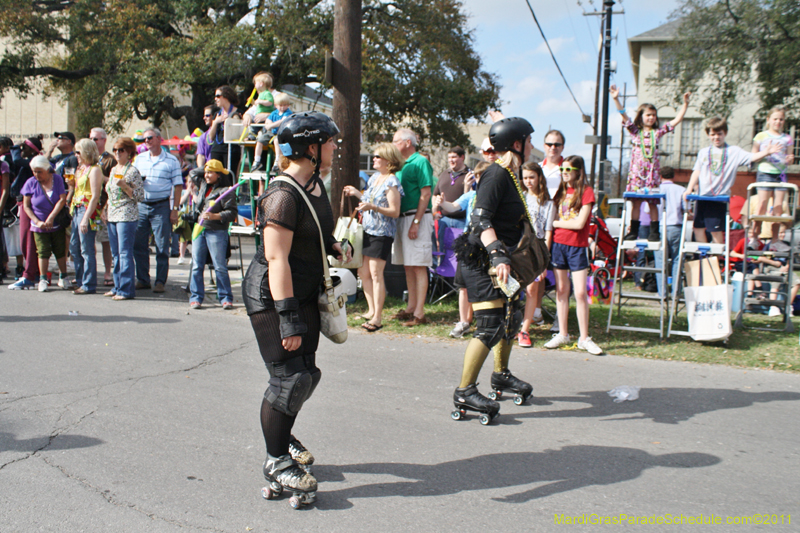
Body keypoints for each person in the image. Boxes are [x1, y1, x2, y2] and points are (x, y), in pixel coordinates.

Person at [241, 112, 349, 504]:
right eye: (329, 142)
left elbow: (316, 230)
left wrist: (334, 245)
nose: (335, 147)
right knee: (289, 380)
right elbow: (277, 260)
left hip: (302, 290)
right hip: (273, 296)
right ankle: (276, 460)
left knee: (307, 374)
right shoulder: (282, 195)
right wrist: (287, 321)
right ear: (310, 148)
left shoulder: (315, 184)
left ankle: (282, 439)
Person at [450, 117, 535, 423]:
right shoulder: (497, 173)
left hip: (500, 262)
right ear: (517, 144)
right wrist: (499, 255)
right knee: (488, 324)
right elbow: (481, 219)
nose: (532, 146)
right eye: (528, 140)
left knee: (511, 318)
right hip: (481, 260)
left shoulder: (510, 174)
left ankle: (500, 376)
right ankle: (465, 391)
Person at [611, 85, 690, 242]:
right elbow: (624, 116)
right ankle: (634, 230)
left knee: (653, 203)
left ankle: (654, 232)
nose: (651, 118)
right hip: (637, 173)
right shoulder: (635, 132)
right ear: (641, 116)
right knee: (636, 203)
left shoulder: (657, 133)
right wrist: (616, 99)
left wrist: (685, 105)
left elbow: (675, 121)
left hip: (652, 174)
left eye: (653, 115)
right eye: (648, 115)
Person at [684, 117, 781, 244]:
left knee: (715, 231)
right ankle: (705, 260)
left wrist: (766, 152)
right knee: (698, 229)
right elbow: (697, 171)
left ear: (725, 133)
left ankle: (716, 260)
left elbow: (751, 157)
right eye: (713, 134)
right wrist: (689, 189)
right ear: (708, 135)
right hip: (702, 197)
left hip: (718, 198)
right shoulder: (703, 152)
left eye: (719, 134)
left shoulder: (733, 151)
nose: (716, 137)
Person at [543, 155, 603, 355]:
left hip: (577, 247)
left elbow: (579, 223)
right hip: (559, 245)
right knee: (561, 291)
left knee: (579, 293)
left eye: (568, 170)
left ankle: (584, 338)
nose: (564, 173)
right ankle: (563, 333)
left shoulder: (586, 191)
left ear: (578, 170)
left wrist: (557, 223)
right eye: (562, 170)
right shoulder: (560, 191)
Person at [342, 143, 405, 332]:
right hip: (367, 230)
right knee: (363, 273)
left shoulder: (392, 181)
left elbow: (394, 211)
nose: (374, 159)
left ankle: (377, 317)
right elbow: (368, 201)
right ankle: (371, 310)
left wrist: (374, 207)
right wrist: (356, 194)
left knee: (377, 274)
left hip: (382, 233)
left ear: (388, 160)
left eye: (378, 156)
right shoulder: (376, 178)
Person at [435, 161, 491, 339]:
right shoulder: (471, 195)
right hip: (468, 243)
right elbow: (453, 207)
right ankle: (464, 322)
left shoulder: (494, 197)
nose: (479, 180)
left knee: (484, 285)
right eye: (477, 176)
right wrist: (443, 203)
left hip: (487, 244)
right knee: (463, 285)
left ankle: (484, 322)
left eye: (483, 176)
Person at [391, 128, 436, 327]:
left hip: (416, 217)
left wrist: (416, 222)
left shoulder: (420, 162)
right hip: (402, 218)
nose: (393, 145)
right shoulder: (401, 164)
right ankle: (411, 307)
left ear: (408, 142)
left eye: (395, 141)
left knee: (418, 265)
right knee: (409, 265)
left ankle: (419, 312)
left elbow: (425, 194)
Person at [133, 127, 184, 292]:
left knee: (162, 246)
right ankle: (143, 279)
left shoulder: (171, 160)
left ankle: (160, 281)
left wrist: (174, 209)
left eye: (149, 138)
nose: (146, 141)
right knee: (139, 244)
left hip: (161, 205)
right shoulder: (139, 159)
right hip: (141, 204)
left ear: (159, 139)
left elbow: (178, 186)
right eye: (144, 139)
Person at [187, 159, 237, 310]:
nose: (207, 175)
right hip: (200, 229)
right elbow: (193, 172)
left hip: (217, 230)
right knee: (197, 265)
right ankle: (196, 297)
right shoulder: (203, 184)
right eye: (206, 172)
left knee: (219, 266)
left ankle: (225, 297)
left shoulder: (226, 191)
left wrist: (216, 216)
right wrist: (209, 165)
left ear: (219, 175)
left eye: (211, 172)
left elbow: (232, 212)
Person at [518, 162, 554, 348]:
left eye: (531, 177)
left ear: (539, 177)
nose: (528, 181)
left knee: (532, 289)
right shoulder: (521, 198)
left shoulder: (548, 203)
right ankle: (511, 323)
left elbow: (548, 233)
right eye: (525, 178)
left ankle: (525, 329)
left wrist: (543, 261)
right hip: (519, 248)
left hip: (536, 250)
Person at [21, 156, 69, 292]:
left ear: (47, 169)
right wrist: (37, 221)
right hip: (38, 225)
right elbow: (27, 206)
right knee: (42, 251)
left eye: (39, 171)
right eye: (34, 171)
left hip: (56, 223)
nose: (37, 175)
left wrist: (51, 218)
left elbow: (62, 199)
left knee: (60, 250)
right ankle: (43, 279)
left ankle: (63, 276)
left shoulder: (57, 180)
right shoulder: (30, 183)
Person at [104, 137, 144, 300]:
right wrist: (105, 208)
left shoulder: (132, 171)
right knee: (116, 253)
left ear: (129, 152)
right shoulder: (114, 170)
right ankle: (117, 285)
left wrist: (125, 186)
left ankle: (126, 289)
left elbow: (140, 196)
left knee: (125, 252)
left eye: (121, 150)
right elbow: (110, 192)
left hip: (126, 214)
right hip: (113, 213)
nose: (117, 153)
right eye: (115, 150)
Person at [752, 106, 795, 242]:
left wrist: (789, 159)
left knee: (778, 207)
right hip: (765, 172)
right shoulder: (761, 136)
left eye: (781, 119)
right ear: (768, 120)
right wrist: (767, 152)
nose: (778, 122)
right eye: (775, 119)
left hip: (780, 174)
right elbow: (753, 156)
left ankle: (775, 239)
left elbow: (790, 156)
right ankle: (754, 236)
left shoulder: (787, 138)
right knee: (762, 205)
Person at [68, 138, 105, 294]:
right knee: (74, 247)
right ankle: (81, 279)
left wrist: (85, 218)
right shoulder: (81, 168)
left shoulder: (95, 169)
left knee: (86, 248)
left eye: (78, 152)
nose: (76, 155)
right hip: (76, 208)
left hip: (87, 209)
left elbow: (95, 196)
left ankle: (89, 283)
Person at [6, 137, 43, 288]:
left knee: (28, 241)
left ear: (32, 149)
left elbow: (16, 160)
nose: (22, 151)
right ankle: (34, 272)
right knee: (24, 241)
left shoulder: (35, 161)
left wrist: (14, 147)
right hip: (22, 202)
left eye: (25, 148)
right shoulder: (28, 162)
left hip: (31, 204)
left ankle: (30, 274)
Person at [90, 127, 117, 288]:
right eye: (91, 138)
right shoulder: (87, 158)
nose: (93, 141)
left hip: (103, 204)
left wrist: (99, 176)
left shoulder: (109, 160)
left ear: (104, 140)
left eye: (96, 139)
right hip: (89, 205)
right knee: (87, 242)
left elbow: (114, 181)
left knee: (106, 241)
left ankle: (108, 272)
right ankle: (90, 272)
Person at [654, 166, 684, 297]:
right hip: (676, 225)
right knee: (677, 259)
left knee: (660, 261)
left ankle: (662, 292)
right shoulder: (681, 190)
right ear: (674, 176)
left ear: (660, 176)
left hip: (660, 225)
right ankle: (676, 291)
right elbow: (685, 209)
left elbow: (649, 211)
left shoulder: (656, 190)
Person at [252, 92, 293, 178]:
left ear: (288, 105)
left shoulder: (288, 113)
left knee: (276, 140)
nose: (282, 107)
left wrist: (271, 125)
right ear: (276, 105)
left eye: (284, 105)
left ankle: (277, 160)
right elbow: (268, 120)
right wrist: (269, 124)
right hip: (272, 132)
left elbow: (282, 121)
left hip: (281, 133)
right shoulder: (274, 113)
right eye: (280, 105)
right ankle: (257, 160)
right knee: (259, 141)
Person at [206, 85, 241, 172]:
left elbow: (237, 133)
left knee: (229, 175)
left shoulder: (237, 113)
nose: (215, 99)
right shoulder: (217, 114)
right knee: (215, 175)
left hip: (231, 149)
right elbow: (211, 136)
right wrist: (215, 122)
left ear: (226, 96)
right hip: (217, 149)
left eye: (218, 96)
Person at [540, 130, 566, 198]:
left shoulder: (569, 169)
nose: (553, 147)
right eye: (549, 144)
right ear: (544, 146)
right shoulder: (537, 168)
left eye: (557, 145)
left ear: (563, 147)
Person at [196, 104, 219, 168]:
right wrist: (201, 169)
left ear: (214, 116)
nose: (204, 118)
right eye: (204, 116)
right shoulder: (203, 136)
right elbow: (200, 155)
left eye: (207, 115)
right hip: (208, 169)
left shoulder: (221, 134)